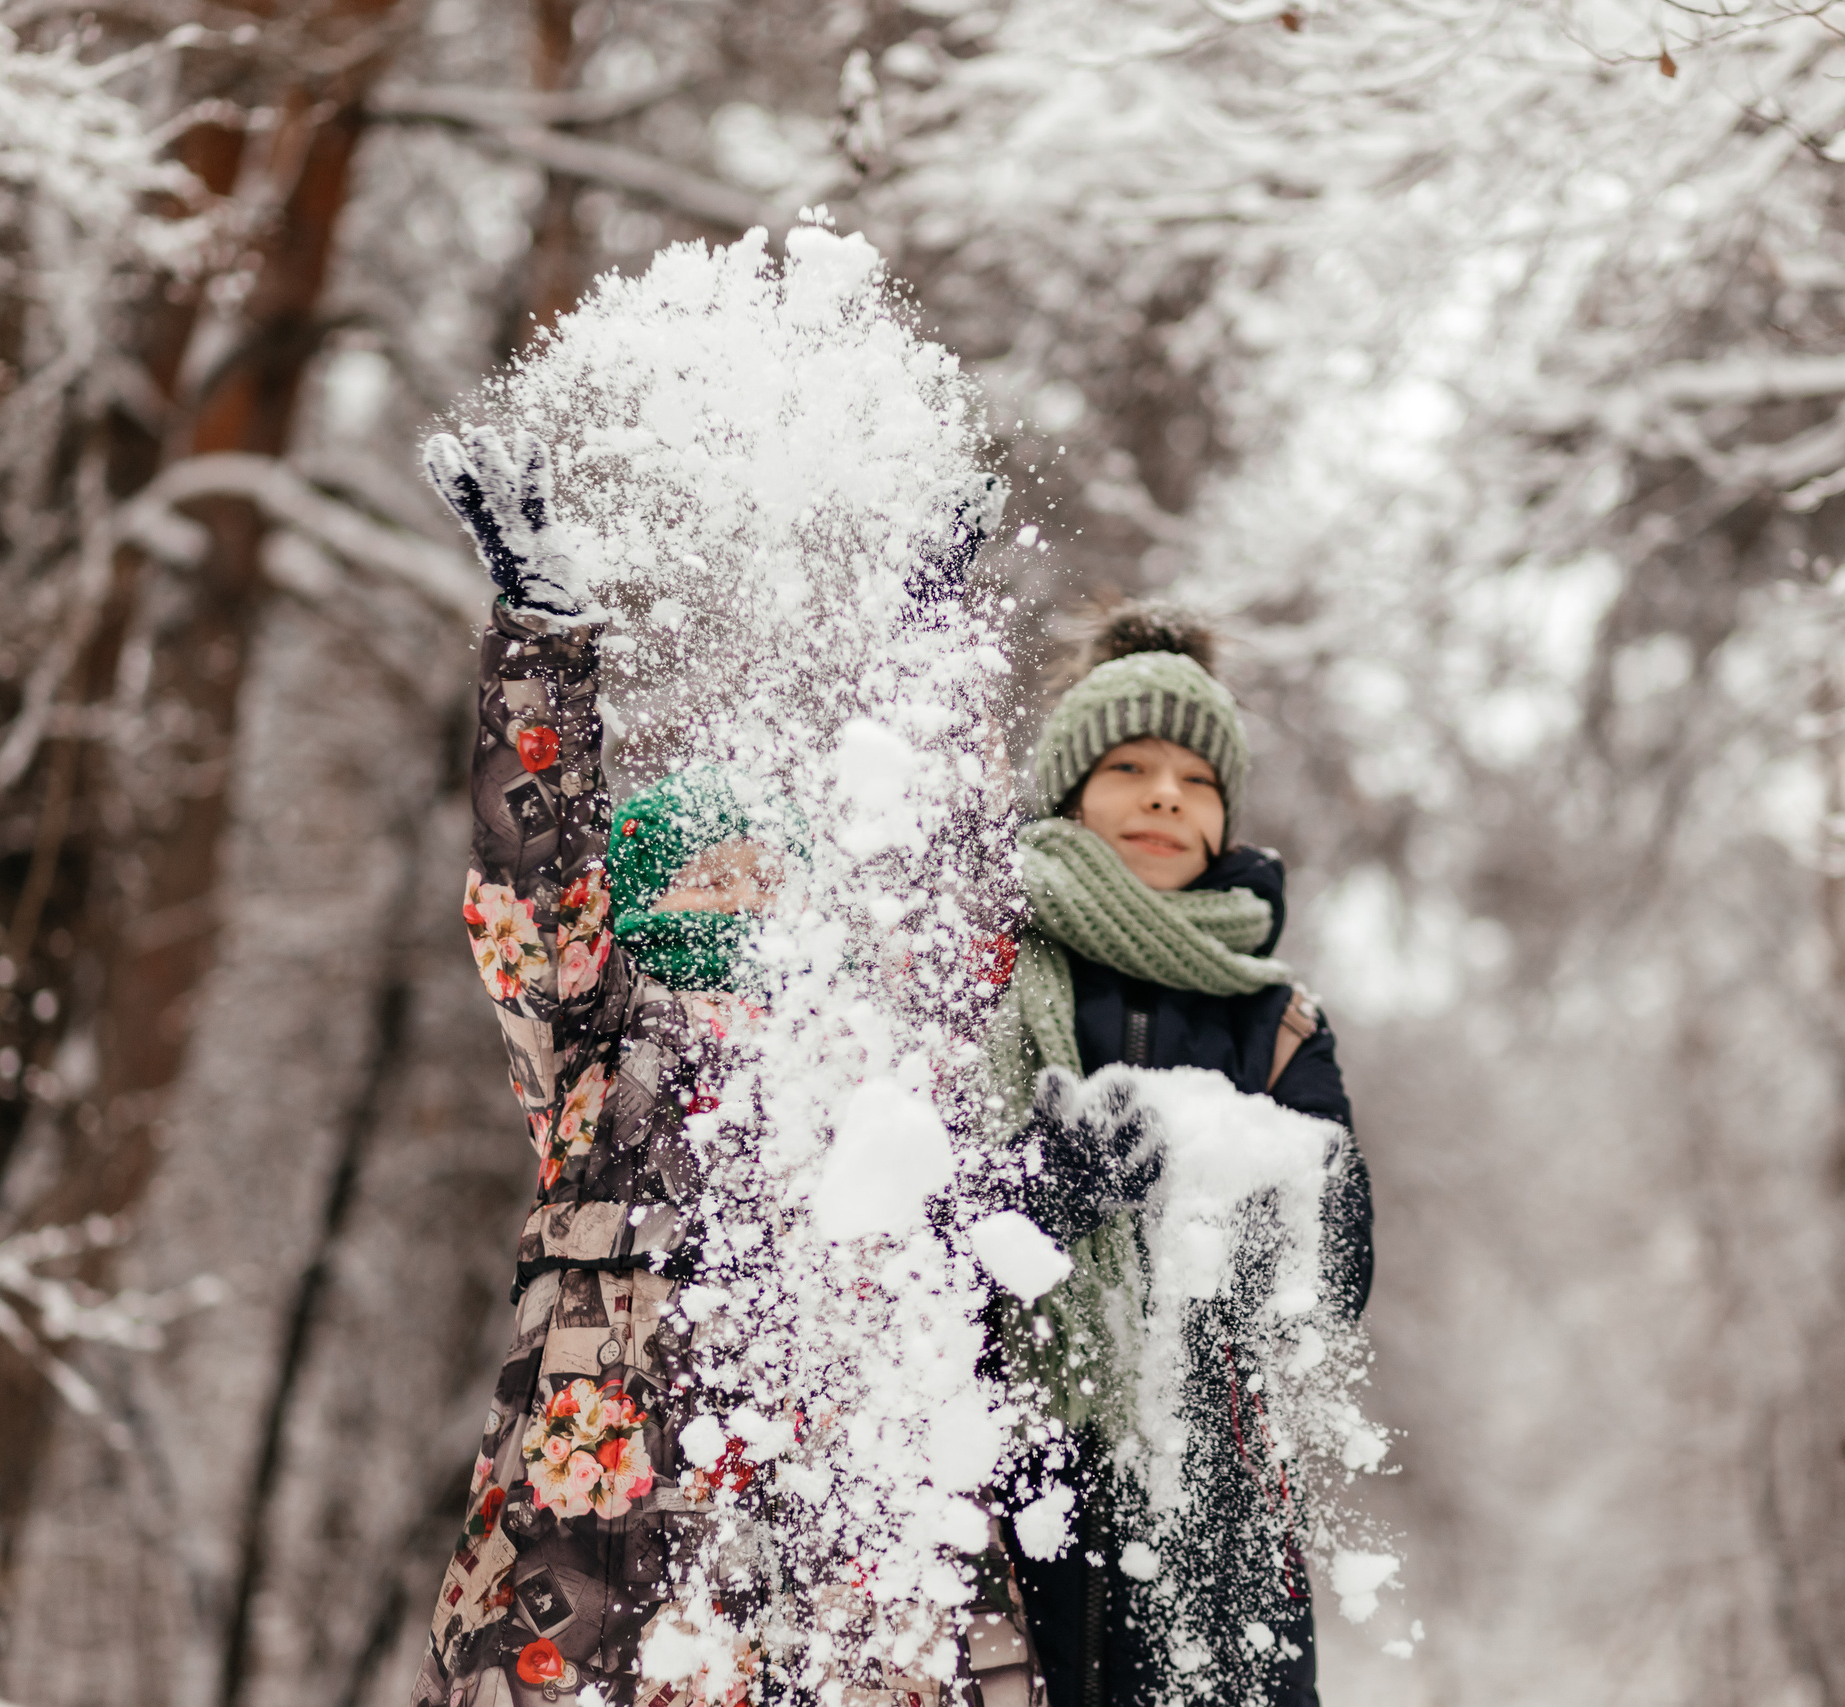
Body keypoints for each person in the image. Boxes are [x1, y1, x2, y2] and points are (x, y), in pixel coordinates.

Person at [408, 427, 1039, 1707]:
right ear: (634, 904)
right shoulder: (592, 1035)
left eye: (765, 879)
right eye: (702, 875)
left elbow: (950, 890)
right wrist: (541, 644)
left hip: (827, 1558)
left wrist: (929, 649)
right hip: (592, 1562)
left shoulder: (858, 1054)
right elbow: (534, 887)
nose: (738, 901)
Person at [986, 605, 1374, 1707]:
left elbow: (1335, 1278)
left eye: (1196, 779)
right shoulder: (984, 976)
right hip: (1007, 1501)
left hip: (1214, 1517)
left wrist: (1240, 1204)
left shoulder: (1279, 1020)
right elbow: (908, 1247)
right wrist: (1040, 1193)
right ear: (1068, 792)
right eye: (1128, 766)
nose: (1166, 793)